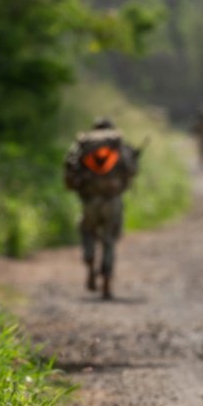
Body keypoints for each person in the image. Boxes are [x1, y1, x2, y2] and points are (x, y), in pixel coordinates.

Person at [63, 117, 140, 300]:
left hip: (89, 201)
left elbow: (70, 170)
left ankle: (90, 262)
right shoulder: (117, 144)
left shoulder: (83, 144)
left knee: (87, 231)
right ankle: (106, 283)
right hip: (112, 200)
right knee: (109, 240)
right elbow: (131, 170)